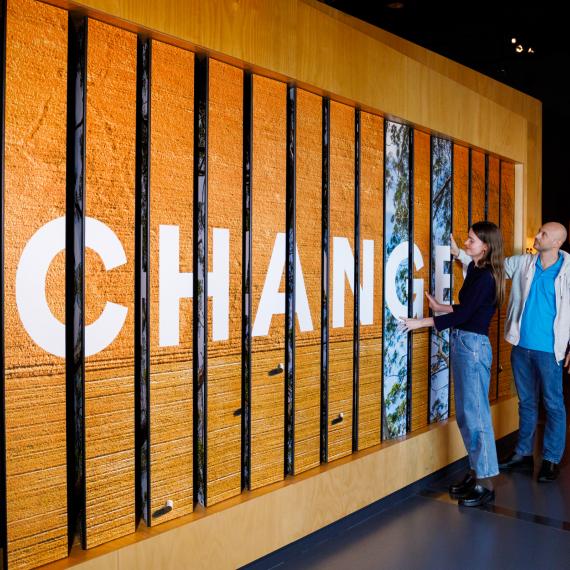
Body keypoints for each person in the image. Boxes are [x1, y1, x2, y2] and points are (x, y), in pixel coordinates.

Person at [453, 222, 570, 482]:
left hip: (551, 351)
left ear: (558, 243)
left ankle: (550, 458)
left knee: (553, 404)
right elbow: (489, 265)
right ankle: (523, 454)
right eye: (539, 232)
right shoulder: (523, 263)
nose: (537, 236)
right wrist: (461, 254)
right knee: (526, 402)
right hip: (521, 346)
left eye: (543, 234)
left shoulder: (568, 271)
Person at [401, 221, 505, 507]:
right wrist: (441, 307)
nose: (466, 243)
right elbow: (467, 309)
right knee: (466, 415)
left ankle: (486, 483)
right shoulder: (475, 270)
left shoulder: (486, 277)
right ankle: (476, 472)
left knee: (477, 416)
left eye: (471, 240)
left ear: (485, 246)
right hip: (464, 343)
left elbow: (466, 315)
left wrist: (420, 322)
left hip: (472, 348)